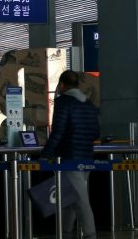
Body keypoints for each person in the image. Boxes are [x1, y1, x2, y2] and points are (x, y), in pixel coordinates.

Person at [40, 70, 100, 239]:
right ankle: (65, 231)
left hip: (70, 156)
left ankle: (90, 234)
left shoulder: (63, 103)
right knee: (70, 196)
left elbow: (58, 131)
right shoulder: (88, 104)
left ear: (62, 85)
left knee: (81, 200)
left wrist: (46, 154)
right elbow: (96, 131)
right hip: (87, 155)